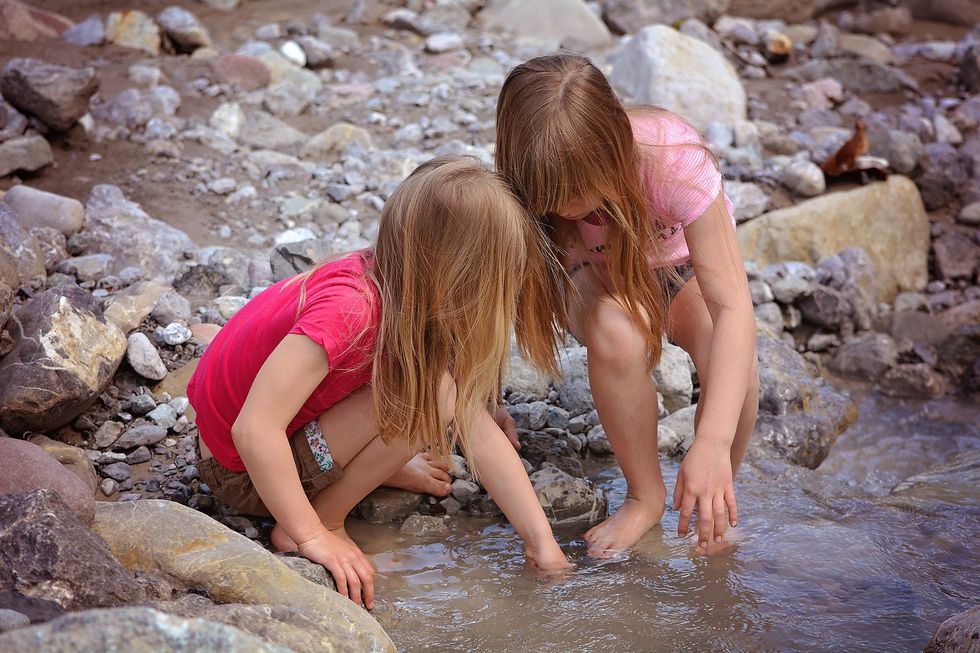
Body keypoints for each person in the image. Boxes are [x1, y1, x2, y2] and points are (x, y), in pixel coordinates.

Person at [187, 156, 570, 610]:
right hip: (238, 471)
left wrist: (542, 544)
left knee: (439, 388)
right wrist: (312, 535)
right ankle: (321, 519)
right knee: (432, 392)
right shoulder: (352, 311)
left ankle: (368, 471)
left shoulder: (391, 278)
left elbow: (477, 430)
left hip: (259, 438)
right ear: (459, 278)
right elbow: (253, 429)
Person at [494, 54, 759, 557]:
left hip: (677, 271)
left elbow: (732, 306)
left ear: (615, 147)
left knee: (735, 368)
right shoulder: (526, 189)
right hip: (594, 278)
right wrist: (487, 399)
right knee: (617, 333)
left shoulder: (672, 161)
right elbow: (486, 300)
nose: (567, 208)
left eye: (579, 192)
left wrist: (712, 443)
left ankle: (713, 496)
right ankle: (645, 496)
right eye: (552, 199)